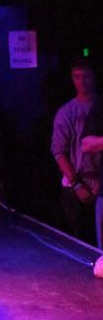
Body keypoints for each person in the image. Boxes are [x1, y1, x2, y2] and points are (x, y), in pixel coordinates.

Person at [51, 58, 101, 243]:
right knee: (80, 240)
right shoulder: (67, 112)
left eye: (86, 76)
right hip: (77, 184)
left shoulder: (100, 107)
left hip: (100, 183)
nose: (81, 81)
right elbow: (59, 151)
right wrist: (77, 184)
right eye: (76, 77)